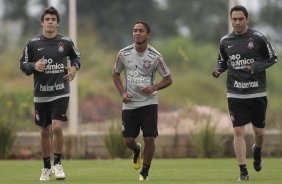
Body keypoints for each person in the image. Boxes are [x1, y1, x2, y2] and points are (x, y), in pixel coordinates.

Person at [212, 5, 277, 182]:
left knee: (260, 132)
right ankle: (243, 172)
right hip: (235, 92)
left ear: (247, 19)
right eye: (234, 19)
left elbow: (273, 58)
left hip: (257, 91)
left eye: (241, 19)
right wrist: (218, 69)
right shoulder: (225, 40)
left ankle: (257, 151)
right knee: (239, 130)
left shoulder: (258, 38)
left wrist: (256, 66)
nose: (237, 22)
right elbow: (223, 61)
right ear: (231, 20)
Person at [19, 6, 80, 181]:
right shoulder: (32, 44)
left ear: (58, 23)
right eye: (47, 19)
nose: (50, 22)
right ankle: (46, 168)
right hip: (41, 93)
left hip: (61, 91)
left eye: (53, 20)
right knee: (44, 131)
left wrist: (74, 68)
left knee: (57, 127)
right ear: (42, 22)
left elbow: (76, 57)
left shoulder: (66, 42)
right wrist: (33, 66)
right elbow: (22, 65)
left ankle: (58, 164)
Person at [112, 21, 172, 181]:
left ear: (148, 34)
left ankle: (144, 171)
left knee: (149, 138)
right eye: (135, 31)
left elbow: (168, 79)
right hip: (129, 103)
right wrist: (122, 93)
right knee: (128, 140)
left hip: (149, 102)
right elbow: (115, 74)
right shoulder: (123, 54)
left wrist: (154, 87)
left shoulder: (156, 57)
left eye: (141, 31)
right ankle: (136, 150)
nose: (137, 33)